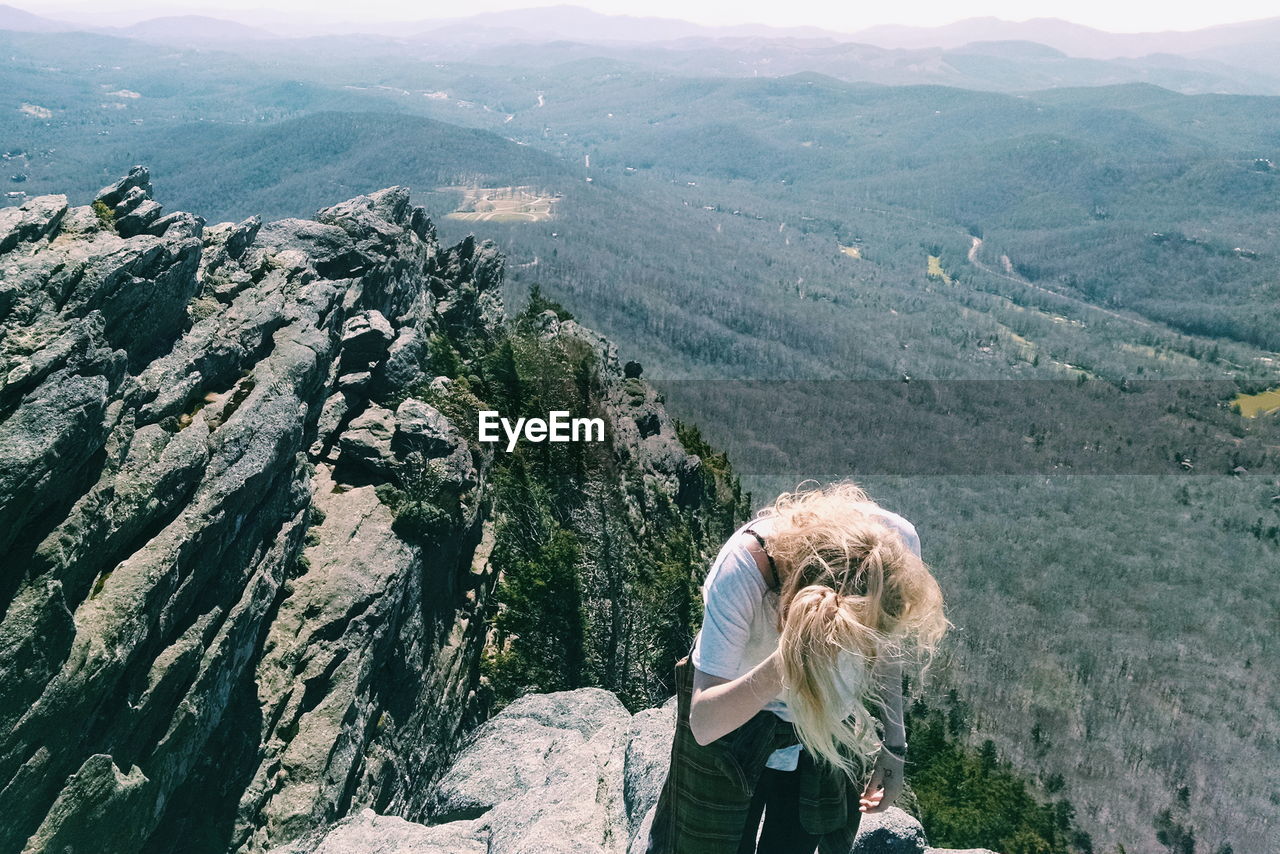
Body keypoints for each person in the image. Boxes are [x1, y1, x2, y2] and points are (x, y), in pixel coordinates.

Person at [645, 480, 950, 854]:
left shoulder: (894, 548)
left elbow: (883, 645)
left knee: (796, 843)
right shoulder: (744, 568)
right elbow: (705, 723)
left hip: (823, 719)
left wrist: (894, 745)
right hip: (734, 707)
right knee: (702, 843)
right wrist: (791, 659)